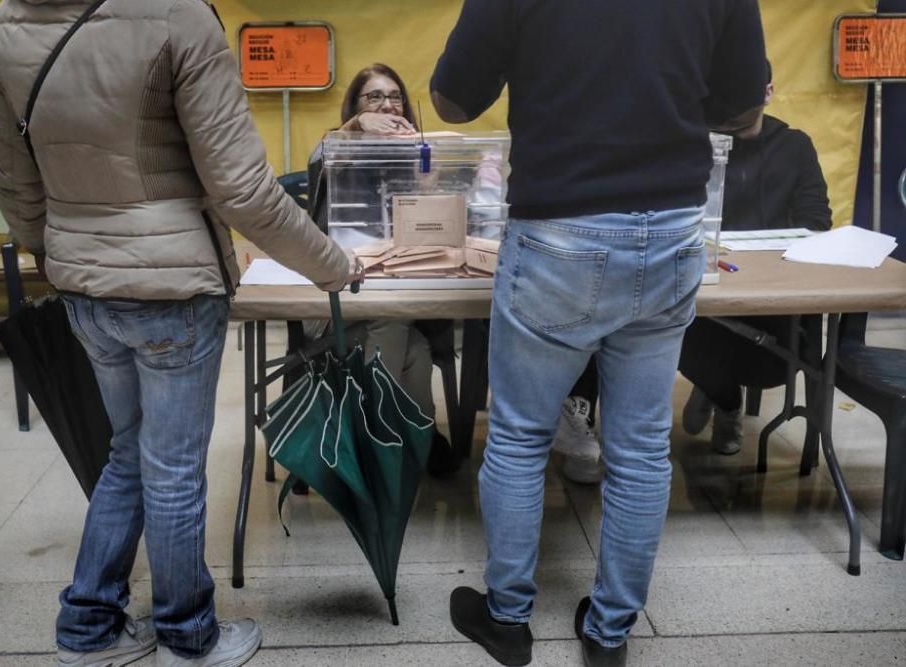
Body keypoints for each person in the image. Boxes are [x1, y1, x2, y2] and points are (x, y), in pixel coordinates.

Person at [0, 2, 360, 666]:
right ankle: (188, 637)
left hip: (84, 286)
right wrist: (332, 265)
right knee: (173, 469)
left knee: (128, 453)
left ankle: (87, 625)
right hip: (171, 289)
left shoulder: (9, 22)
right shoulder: (175, 15)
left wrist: (66, 258)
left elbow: (17, 187)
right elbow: (243, 190)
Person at [430, 2, 768, 665]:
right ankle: (610, 631)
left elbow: (452, 102)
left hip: (560, 225)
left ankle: (507, 618)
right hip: (672, 226)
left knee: (521, 434)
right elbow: (745, 112)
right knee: (640, 446)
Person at [306, 63, 461, 477]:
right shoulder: (335, 149)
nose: (386, 105)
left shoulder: (410, 154)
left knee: (416, 350)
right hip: (334, 294)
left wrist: (428, 183)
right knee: (394, 322)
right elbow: (318, 156)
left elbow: (435, 236)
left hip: (396, 289)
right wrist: (357, 126)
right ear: (355, 106)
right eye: (373, 96)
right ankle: (409, 439)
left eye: (394, 97)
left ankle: (385, 436)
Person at [679, 61, 833, 454]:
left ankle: (717, 389)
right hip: (709, 285)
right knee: (675, 326)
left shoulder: (795, 146)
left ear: (768, 92)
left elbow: (816, 221)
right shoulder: (697, 147)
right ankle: (725, 399)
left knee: (779, 352)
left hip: (773, 290)